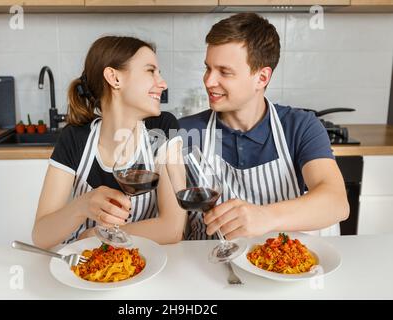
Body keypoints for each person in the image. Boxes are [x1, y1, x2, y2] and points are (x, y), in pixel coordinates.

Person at [179, 13, 349, 240]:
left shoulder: (300, 127)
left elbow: (336, 202)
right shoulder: (184, 132)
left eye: (224, 72)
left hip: (277, 266)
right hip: (205, 265)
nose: (209, 81)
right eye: (208, 68)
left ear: (261, 77)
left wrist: (265, 216)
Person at [32, 36, 186, 249]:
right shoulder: (75, 138)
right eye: (151, 71)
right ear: (114, 78)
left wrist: (94, 235)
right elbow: (41, 236)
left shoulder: (163, 127)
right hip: (87, 266)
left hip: (142, 263)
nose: (163, 83)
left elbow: (172, 228)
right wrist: (82, 205)